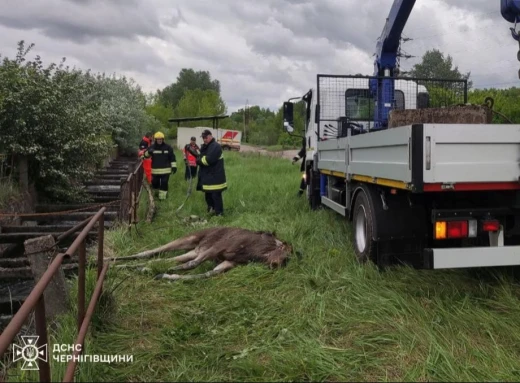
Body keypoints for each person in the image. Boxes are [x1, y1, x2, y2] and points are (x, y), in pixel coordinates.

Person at [196, 129, 227, 216]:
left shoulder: (215, 146)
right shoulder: (206, 146)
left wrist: (198, 161)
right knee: (208, 196)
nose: (204, 139)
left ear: (210, 136)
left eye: (206, 137)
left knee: (216, 196)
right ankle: (211, 210)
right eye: (203, 138)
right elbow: (201, 156)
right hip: (208, 176)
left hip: (215, 177)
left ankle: (219, 213)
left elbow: (208, 160)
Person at [141, 131, 177, 200]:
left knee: (164, 183)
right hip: (155, 171)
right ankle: (156, 196)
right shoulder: (152, 147)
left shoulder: (168, 147)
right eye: (158, 139)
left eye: (161, 139)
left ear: (163, 139)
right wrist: (148, 152)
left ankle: (162, 199)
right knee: (155, 183)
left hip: (166, 170)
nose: (159, 140)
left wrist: (174, 166)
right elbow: (144, 156)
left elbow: (172, 157)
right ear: (155, 140)